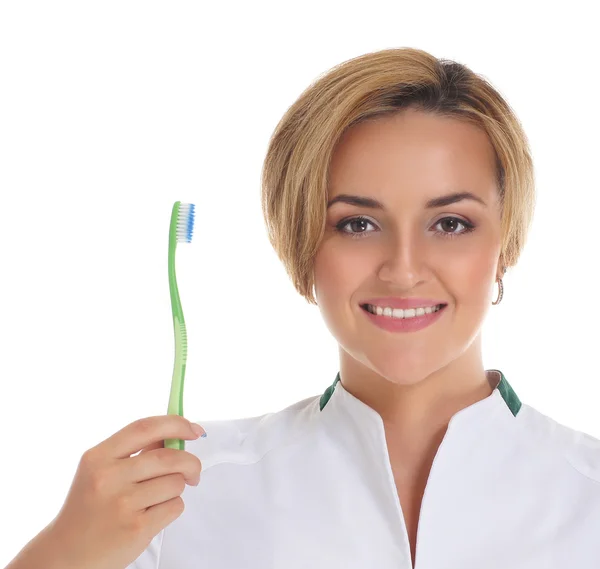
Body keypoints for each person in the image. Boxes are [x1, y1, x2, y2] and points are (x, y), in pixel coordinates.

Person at [6, 46, 600, 569]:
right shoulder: (180, 497)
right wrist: (65, 553)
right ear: (303, 245)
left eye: (450, 222)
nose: (404, 268)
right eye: (358, 223)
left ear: (506, 245)